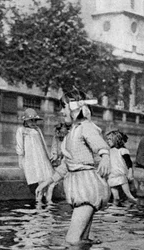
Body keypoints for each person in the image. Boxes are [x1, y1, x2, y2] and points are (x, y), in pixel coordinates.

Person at [36, 89, 111, 245]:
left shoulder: (85, 127)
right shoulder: (73, 132)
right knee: (82, 239)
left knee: (71, 240)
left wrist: (105, 156)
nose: (62, 112)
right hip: (82, 188)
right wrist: (47, 181)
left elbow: (99, 144)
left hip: (86, 188)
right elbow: (66, 165)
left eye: (64, 107)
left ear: (75, 109)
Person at [16, 108, 55, 203]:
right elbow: (19, 144)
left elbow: (43, 143)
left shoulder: (37, 130)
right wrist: (20, 158)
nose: (33, 123)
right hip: (30, 158)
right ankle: (39, 201)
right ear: (25, 120)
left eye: (35, 120)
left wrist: (48, 155)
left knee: (46, 178)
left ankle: (48, 201)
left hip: (40, 156)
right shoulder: (21, 130)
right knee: (36, 178)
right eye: (31, 120)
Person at [105, 129, 137, 206]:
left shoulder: (123, 150)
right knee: (116, 198)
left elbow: (129, 163)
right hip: (111, 177)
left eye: (109, 139)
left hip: (121, 176)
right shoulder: (109, 151)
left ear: (116, 139)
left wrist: (130, 173)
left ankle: (137, 207)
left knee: (129, 195)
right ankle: (115, 212)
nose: (107, 141)